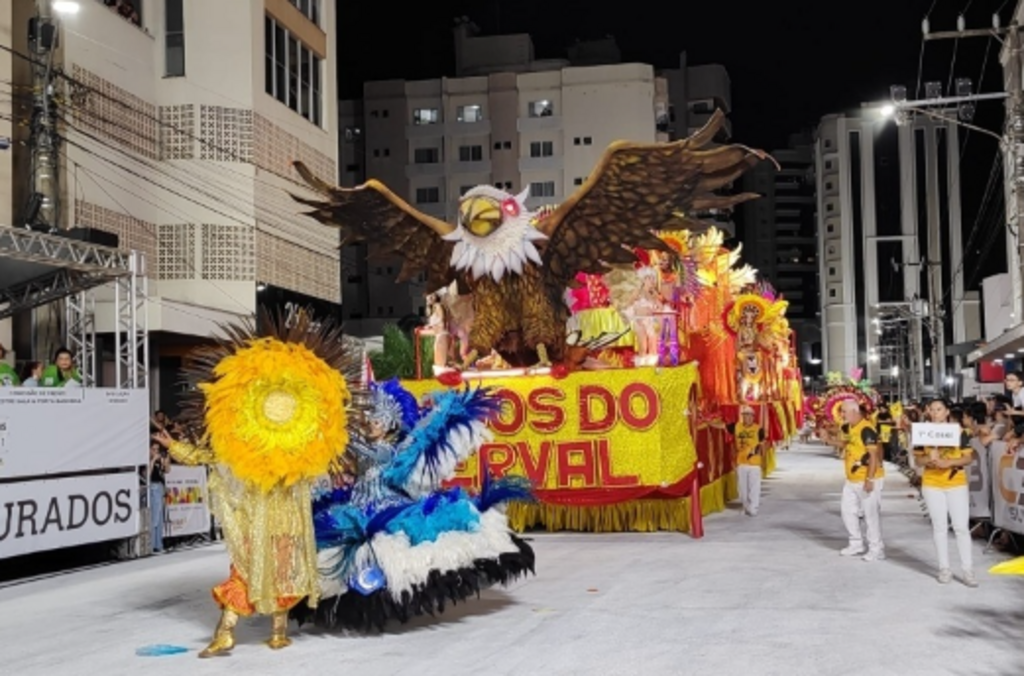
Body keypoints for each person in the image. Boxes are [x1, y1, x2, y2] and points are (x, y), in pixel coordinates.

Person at [151, 313, 363, 657]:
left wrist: (173, 446)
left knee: (270, 574)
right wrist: (172, 445)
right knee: (259, 573)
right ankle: (238, 632)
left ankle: (261, 632)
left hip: (277, 524)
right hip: (264, 524)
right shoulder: (249, 446)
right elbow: (207, 456)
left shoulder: (292, 452)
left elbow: (205, 457)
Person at [291, 379, 535, 631]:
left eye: (375, 421)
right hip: (355, 506)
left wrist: (336, 427)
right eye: (367, 422)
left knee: (387, 548)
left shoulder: (386, 451)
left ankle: (387, 597)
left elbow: (360, 451)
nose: (369, 427)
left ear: (389, 425)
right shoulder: (361, 448)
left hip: (386, 507)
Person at [913, 398, 977, 586]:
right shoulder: (922, 432)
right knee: (939, 527)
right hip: (932, 483)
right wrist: (928, 459)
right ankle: (944, 568)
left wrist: (948, 462)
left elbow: (967, 458)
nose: (935, 413)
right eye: (932, 410)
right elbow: (918, 460)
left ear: (947, 411)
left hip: (955, 482)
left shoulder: (960, 432)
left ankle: (968, 570)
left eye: (939, 409)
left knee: (961, 527)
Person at [839, 400, 885, 561]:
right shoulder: (851, 428)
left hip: (867, 478)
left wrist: (870, 479)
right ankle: (856, 543)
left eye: (844, 411)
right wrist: (828, 438)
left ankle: (876, 548)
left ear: (854, 411)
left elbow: (873, 456)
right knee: (847, 511)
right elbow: (846, 445)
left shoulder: (867, 429)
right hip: (851, 479)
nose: (842, 415)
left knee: (870, 515)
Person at [728, 405, 765, 516]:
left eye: (749, 415)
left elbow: (763, 444)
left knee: (754, 487)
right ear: (742, 416)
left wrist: (760, 456)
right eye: (745, 415)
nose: (747, 417)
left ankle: (753, 508)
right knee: (742, 488)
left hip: (754, 462)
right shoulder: (736, 427)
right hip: (741, 461)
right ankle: (746, 506)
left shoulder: (759, 429)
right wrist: (708, 422)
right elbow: (722, 426)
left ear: (753, 417)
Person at [149, 440, 170, 553]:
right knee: (155, 517)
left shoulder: (159, 461)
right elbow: (146, 475)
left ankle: (158, 544)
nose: (156, 452)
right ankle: (152, 545)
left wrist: (165, 461)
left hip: (160, 487)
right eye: (154, 449)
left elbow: (167, 470)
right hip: (153, 487)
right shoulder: (148, 461)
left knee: (160, 518)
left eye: (158, 450)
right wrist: (152, 460)